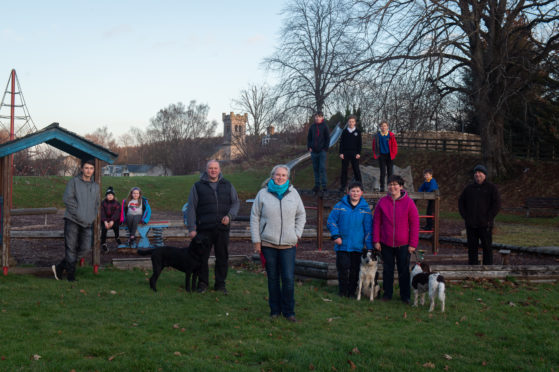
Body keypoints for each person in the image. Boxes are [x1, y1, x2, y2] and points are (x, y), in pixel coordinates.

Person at [250, 165, 306, 321]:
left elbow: (301, 215)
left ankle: (289, 311)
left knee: (288, 279)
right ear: (272, 176)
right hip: (268, 244)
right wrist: (256, 240)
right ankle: (275, 310)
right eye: (277, 175)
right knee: (273, 279)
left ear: (288, 178)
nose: (280, 177)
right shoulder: (263, 194)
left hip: (288, 245)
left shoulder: (294, 194)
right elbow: (254, 217)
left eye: (283, 175)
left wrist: (297, 234)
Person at [186, 160, 240, 294]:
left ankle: (220, 284)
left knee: (222, 257)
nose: (213, 170)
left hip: (222, 228)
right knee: (202, 257)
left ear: (220, 169)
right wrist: (192, 228)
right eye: (211, 168)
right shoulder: (197, 186)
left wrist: (230, 216)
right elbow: (191, 207)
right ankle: (203, 283)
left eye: (216, 168)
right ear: (206, 169)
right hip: (204, 228)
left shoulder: (228, 185)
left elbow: (235, 203)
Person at [373, 175, 419, 304]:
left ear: (401, 186)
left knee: (403, 271)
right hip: (386, 243)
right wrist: (376, 240)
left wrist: (413, 244)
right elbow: (376, 222)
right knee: (387, 270)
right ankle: (387, 294)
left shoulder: (409, 203)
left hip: (404, 244)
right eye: (390, 184)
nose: (392, 187)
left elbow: (415, 224)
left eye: (395, 184)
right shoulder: (382, 202)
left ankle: (405, 296)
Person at [52, 159, 100, 281]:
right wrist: (78, 214)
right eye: (86, 168)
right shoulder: (73, 182)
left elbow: (97, 203)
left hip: (87, 222)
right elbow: (68, 199)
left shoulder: (95, 186)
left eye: (91, 168)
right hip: (72, 220)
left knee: (85, 248)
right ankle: (71, 276)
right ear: (82, 169)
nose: (89, 170)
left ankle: (60, 266)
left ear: (93, 170)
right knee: (71, 247)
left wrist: (92, 216)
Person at [327, 181, 372, 297]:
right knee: (342, 269)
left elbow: (368, 229)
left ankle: (352, 292)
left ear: (362, 193)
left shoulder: (365, 209)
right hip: (342, 244)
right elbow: (331, 221)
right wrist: (336, 236)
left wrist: (369, 247)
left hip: (357, 246)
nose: (355, 193)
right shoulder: (339, 206)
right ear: (348, 192)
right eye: (353, 191)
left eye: (358, 191)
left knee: (354, 271)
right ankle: (342, 292)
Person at [458, 164, 501, 265]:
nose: (477, 174)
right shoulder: (469, 189)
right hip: (471, 225)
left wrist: (489, 218)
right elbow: (461, 202)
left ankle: (488, 269)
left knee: (487, 248)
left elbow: (496, 204)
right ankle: (472, 270)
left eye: (480, 172)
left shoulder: (491, 188)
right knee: (472, 249)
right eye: (476, 173)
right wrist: (466, 217)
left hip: (485, 225)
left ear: (485, 175)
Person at [307, 111, 330, 194]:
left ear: (322, 118)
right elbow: (309, 138)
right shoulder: (312, 127)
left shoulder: (325, 126)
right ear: (315, 118)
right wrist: (309, 147)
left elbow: (328, 138)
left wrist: (325, 149)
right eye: (316, 117)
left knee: (322, 168)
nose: (317, 118)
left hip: (322, 151)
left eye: (319, 117)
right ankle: (317, 185)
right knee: (315, 168)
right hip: (313, 151)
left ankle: (324, 186)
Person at [338, 115, 362, 193]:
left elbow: (360, 143)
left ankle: (360, 185)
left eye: (352, 121)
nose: (351, 123)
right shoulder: (344, 131)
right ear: (348, 122)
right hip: (345, 153)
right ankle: (343, 186)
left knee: (356, 169)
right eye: (350, 121)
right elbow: (341, 143)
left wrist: (358, 153)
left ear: (355, 123)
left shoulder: (358, 132)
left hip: (355, 153)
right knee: (344, 170)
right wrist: (341, 152)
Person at [372, 121, 397, 192]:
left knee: (390, 172)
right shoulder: (377, 136)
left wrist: (393, 154)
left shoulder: (391, 135)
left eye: (385, 126)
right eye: (382, 126)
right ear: (380, 127)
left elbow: (394, 146)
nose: (383, 127)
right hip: (381, 155)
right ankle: (382, 187)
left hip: (389, 155)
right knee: (382, 172)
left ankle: (390, 186)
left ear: (387, 127)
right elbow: (374, 145)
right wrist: (376, 153)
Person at [100, 186, 122, 252]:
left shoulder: (117, 203)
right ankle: (103, 243)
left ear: (113, 196)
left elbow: (117, 213)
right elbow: (102, 212)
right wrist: (105, 221)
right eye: (108, 195)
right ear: (106, 196)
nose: (110, 196)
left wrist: (112, 220)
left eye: (111, 195)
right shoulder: (103, 203)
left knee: (116, 226)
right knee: (104, 228)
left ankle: (117, 237)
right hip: (105, 220)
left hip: (114, 220)